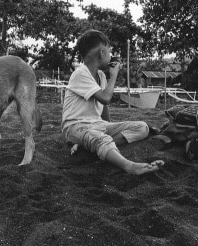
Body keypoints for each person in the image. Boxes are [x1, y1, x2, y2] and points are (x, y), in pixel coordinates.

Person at [61, 30, 164, 175]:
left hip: (97, 125)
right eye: (109, 52)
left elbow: (103, 106)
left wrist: (108, 126)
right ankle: (130, 166)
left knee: (142, 128)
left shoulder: (101, 76)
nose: (110, 57)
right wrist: (114, 76)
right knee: (100, 138)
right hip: (75, 127)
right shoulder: (80, 73)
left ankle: (89, 146)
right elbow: (105, 98)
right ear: (101, 53)